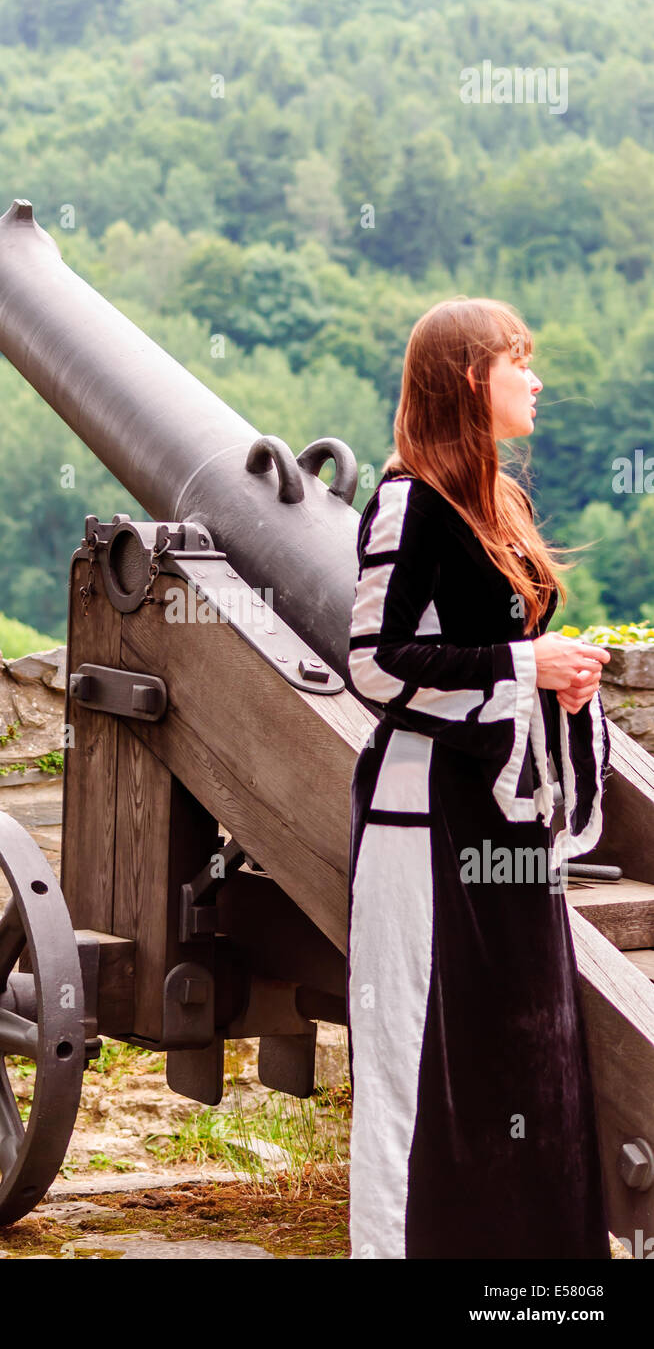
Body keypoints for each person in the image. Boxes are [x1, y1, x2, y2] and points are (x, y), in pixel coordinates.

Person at [346, 297, 612, 1260]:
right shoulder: (407, 501)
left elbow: (508, 654)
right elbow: (375, 662)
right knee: (429, 1068)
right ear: (468, 377)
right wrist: (520, 667)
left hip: (506, 829)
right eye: (518, 361)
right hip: (429, 830)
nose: (535, 379)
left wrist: (558, 682)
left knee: (531, 1068)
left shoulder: (501, 503)